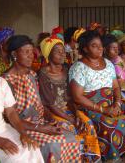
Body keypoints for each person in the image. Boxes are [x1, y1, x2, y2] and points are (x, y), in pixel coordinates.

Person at [69, 30, 125, 162]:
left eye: (100, 45)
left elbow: (115, 87)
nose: (100, 48)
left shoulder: (108, 64)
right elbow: (77, 97)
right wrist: (103, 110)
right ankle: (111, 158)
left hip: (111, 102)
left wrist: (117, 104)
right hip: (91, 106)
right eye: (94, 45)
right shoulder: (78, 67)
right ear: (85, 49)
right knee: (108, 125)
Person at [3, 35, 81, 162]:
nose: (31, 56)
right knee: (52, 144)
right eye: (26, 52)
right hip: (21, 127)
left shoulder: (32, 75)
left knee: (71, 136)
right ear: (14, 54)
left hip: (39, 122)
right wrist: (40, 128)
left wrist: (50, 119)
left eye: (31, 52)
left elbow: (40, 104)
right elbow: (10, 117)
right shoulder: (7, 80)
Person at [39, 33, 101, 161]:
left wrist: (77, 115)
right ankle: (76, 159)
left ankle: (89, 159)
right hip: (53, 112)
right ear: (48, 54)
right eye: (58, 52)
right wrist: (71, 119)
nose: (62, 54)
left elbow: (71, 97)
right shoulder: (43, 74)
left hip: (70, 109)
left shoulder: (68, 69)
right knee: (72, 129)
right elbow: (50, 104)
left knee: (87, 123)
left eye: (63, 51)